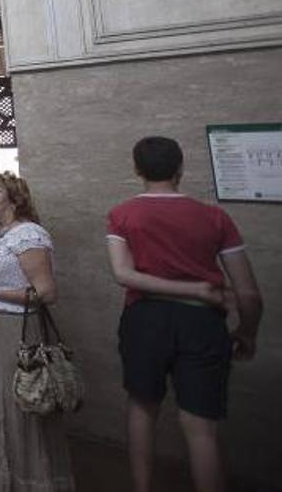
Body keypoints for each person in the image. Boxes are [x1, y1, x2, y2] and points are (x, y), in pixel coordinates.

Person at [106, 137, 263, 492]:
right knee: (201, 426)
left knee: (142, 408)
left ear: (137, 170)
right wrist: (247, 333)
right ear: (180, 168)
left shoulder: (123, 214)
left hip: (145, 318)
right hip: (202, 321)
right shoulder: (215, 217)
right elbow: (249, 293)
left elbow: (123, 274)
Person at [0, 172, 74, 492]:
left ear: (15, 197)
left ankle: (29, 478)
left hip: (16, 331)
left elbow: (46, 293)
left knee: (19, 402)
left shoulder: (28, 235)